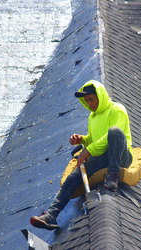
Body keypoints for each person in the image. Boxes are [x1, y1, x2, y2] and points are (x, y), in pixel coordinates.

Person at [30, 80, 133, 230]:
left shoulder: (116, 109)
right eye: (86, 101)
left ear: (100, 96)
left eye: (91, 99)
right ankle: (51, 215)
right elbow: (94, 138)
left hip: (121, 155)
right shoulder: (92, 117)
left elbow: (109, 138)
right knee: (72, 178)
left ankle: (113, 175)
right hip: (103, 157)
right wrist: (83, 140)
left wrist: (88, 150)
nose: (89, 104)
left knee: (114, 132)